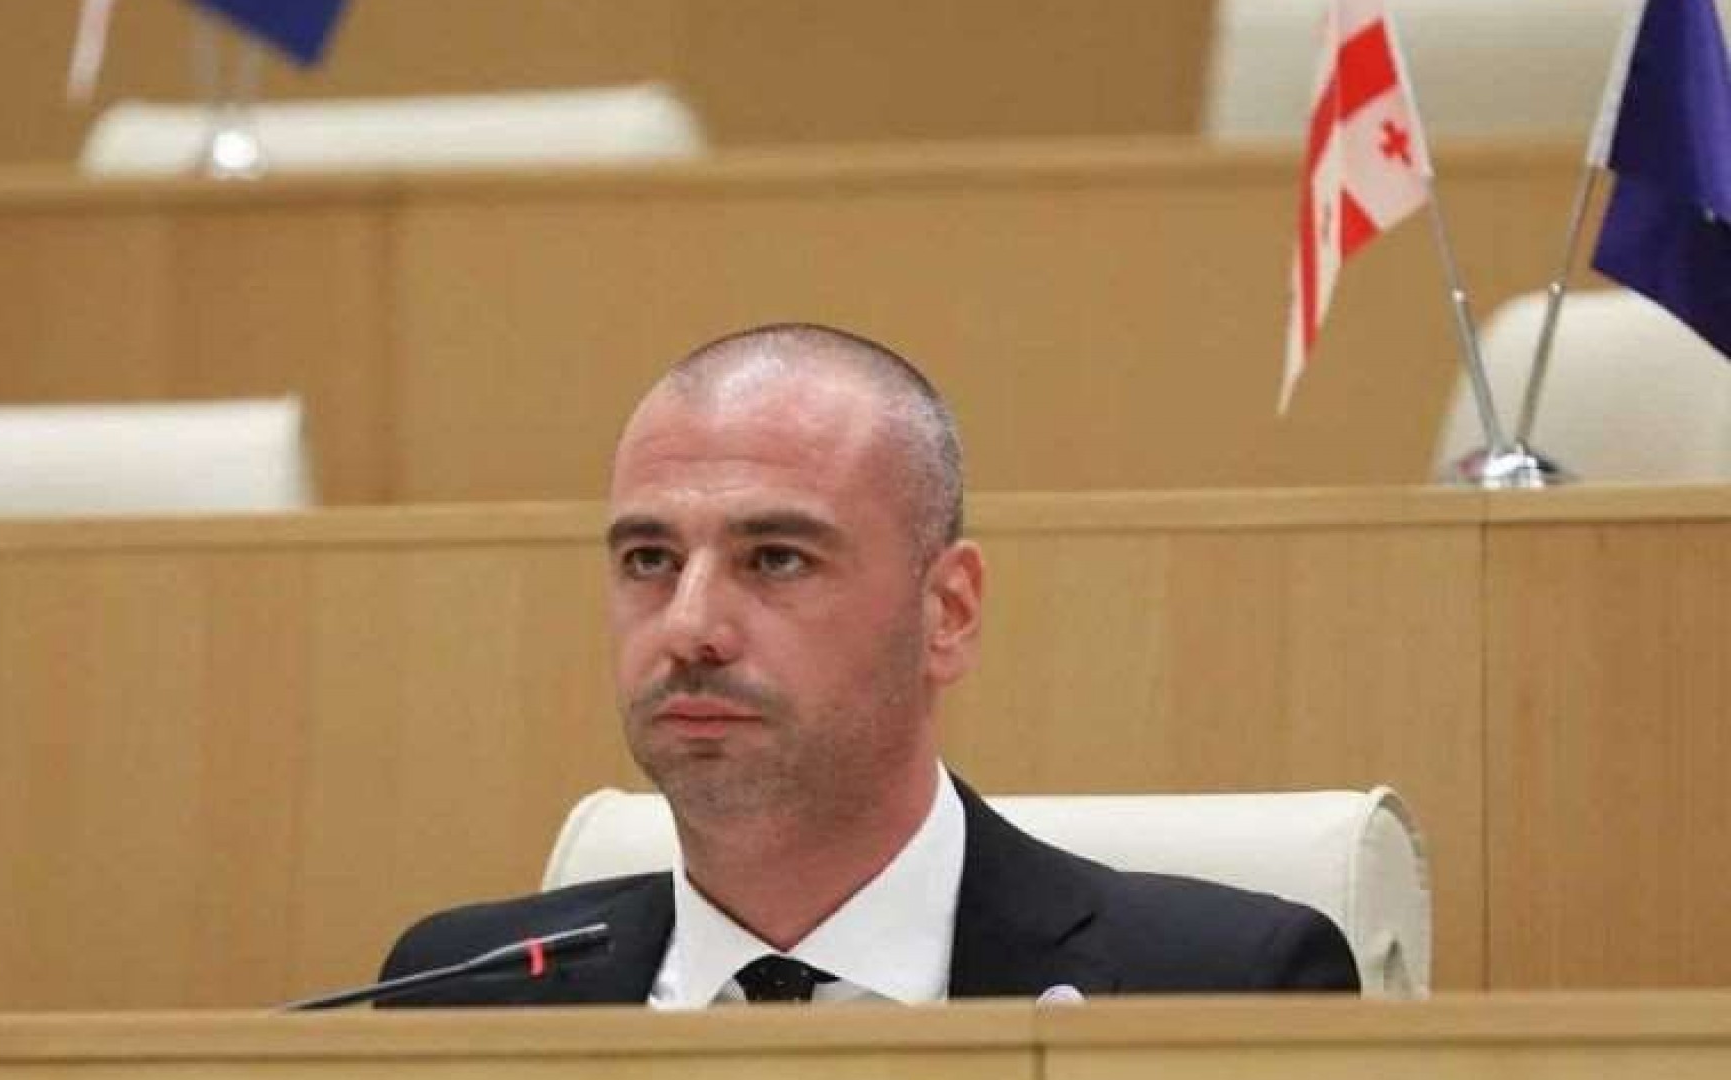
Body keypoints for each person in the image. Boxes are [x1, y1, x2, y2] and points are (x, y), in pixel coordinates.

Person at [379, 323, 1359, 1006]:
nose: (690, 628)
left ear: (948, 612)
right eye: (649, 560)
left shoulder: (1217, 989)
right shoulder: (459, 996)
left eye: (776, 559)